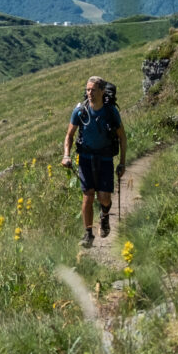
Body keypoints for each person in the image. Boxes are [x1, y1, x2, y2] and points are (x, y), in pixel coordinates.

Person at [62, 76, 126, 247]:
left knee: (104, 198)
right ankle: (88, 234)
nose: (89, 93)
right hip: (85, 158)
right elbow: (69, 135)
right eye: (88, 90)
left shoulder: (111, 112)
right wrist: (66, 155)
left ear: (102, 91)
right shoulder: (80, 111)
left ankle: (104, 215)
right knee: (88, 195)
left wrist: (122, 162)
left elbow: (122, 137)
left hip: (105, 157)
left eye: (93, 90)